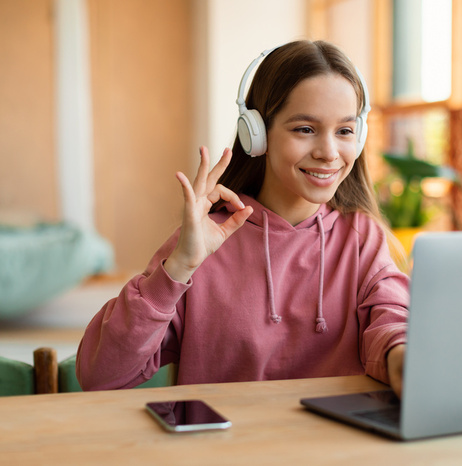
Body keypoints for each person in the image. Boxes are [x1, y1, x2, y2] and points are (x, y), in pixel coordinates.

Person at [76, 40, 409, 397]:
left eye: (344, 131)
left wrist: (404, 358)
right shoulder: (204, 240)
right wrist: (178, 268)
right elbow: (100, 375)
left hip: (330, 451)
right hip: (224, 450)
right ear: (257, 135)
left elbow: (392, 327)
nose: (329, 152)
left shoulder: (362, 239)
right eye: (305, 129)